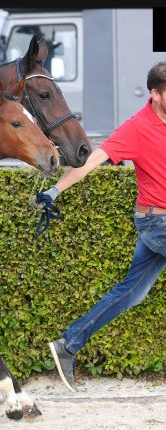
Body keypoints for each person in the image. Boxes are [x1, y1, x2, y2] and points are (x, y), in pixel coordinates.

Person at [37, 61, 166, 393]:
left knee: (130, 294)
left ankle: (69, 343)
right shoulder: (136, 128)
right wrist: (54, 190)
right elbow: (91, 162)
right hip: (156, 221)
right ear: (155, 94)